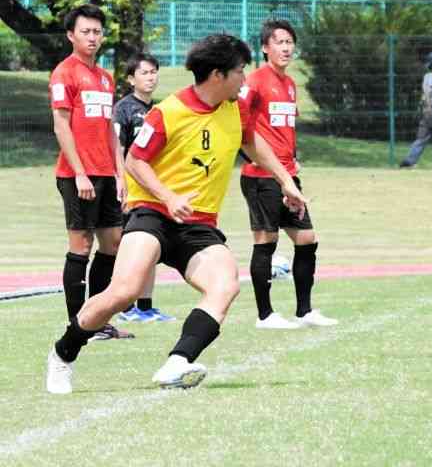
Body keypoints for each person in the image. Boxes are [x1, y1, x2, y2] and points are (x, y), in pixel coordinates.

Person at [45, 34, 308, 394]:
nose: (245, 79)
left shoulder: (236, 107)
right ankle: (63, 353)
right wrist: (167, 197)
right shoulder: (169, 111)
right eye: (240, 71)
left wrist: (285, 181)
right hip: (152, 213)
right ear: (218, 75)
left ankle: (177, 362)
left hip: (198, 224)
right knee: (123, 291)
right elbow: (135, 160)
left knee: (225, 285)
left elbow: (251, 141)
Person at [239, 19, 337, 329]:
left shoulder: (290, 84)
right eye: (279, 42)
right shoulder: (253, 81)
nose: (285, 47)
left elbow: (283, 130)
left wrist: (292, 163)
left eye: (289, 42)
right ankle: (265, 315)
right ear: (265, 47)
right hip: (261, 176)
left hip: (289, 175)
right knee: (265, 241)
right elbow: (241, 130)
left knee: (307, 239)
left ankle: (304, 311)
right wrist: (264, 163)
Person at [49, 3, 133, 341]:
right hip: (76, 175)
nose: (92, 37)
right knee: (81, 245)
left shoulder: (105, 77)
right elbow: (61, 126)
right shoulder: (64, 73)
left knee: (112, 244)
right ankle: (77, 323)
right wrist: (80, 173)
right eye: (85, 31)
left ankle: (96, 319)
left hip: (105, 173)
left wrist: (120, 173)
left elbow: (110, 131)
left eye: (97, 31)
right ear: (71, 35)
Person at [113, 52, 176, 323]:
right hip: (132, 190)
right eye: (144, 73)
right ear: (131, 79)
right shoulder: (124, 108)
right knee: (129, 249)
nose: (150, 77)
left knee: (151, 248)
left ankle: (145, 306)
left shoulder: (160, 110)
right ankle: (125, 307)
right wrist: (121, 181)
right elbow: (118, 148)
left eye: (153, 72)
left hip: (155, 191)